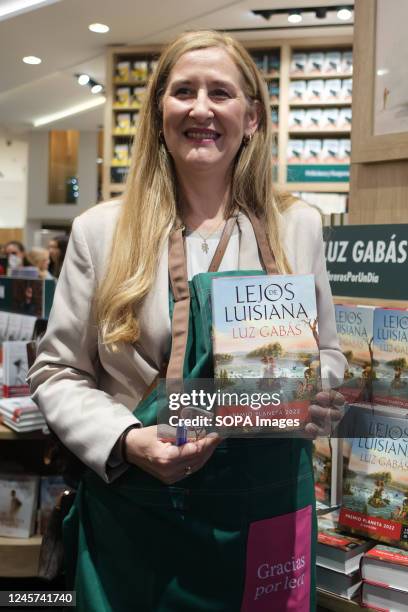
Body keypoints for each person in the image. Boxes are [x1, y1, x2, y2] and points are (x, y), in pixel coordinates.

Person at [28, 31, 346, 612]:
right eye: (184, 92)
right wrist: (125, 440)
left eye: (220, 93)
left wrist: (317, 391)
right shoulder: (101, 231)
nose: (201, 109)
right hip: (138, 520)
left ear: (251, 117)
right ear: (158, 113)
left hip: (265, 514)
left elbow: (327, 353)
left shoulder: (297, 225)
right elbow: (56, 371)